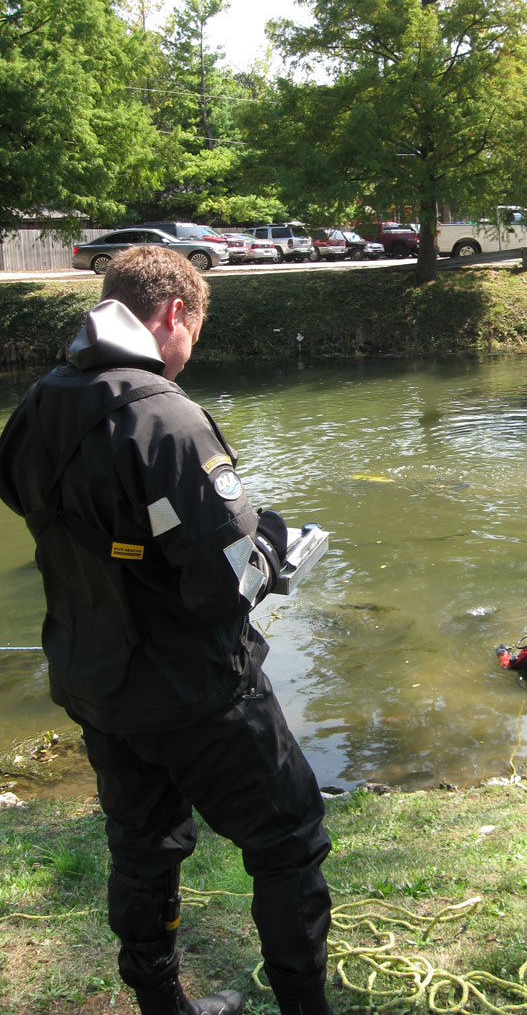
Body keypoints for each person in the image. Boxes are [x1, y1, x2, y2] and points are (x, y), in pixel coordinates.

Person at [0, 248, 335, 1015]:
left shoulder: (42, 398)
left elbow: (32, 501)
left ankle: (162, 1004)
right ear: (175, 314)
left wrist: (132, 543)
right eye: (194, 333)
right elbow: (229, 584)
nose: (190, 354)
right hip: (196, 688)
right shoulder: (167, 415)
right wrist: (274, 551)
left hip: (96, 678)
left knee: (142, 844)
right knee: (288, 842)